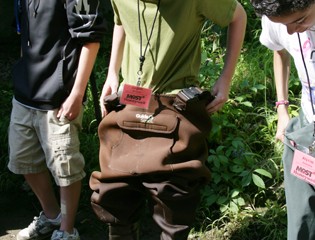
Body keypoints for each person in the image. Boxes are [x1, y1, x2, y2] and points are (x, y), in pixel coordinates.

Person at [89, 0, 246, 239]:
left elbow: (238, 15)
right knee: (115, 195)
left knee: (173, 201)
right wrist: (113, 72)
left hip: (175, 105)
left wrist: (226, 78)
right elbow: (121, 20)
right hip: (131, 100)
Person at [8, 0, 106, 239]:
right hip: (25, 94)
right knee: (22, 160)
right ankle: (53, 216)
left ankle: (67, 230)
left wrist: (76, 94)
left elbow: (91, 39)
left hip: (59, 98)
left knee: (66, 168)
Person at [251, 0, 315, 239]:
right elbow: (280, 51)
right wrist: (281, 108)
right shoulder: (275, 17)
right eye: (282, 24)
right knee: (301, 220)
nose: (289, 30)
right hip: (305, 129)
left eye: (299, 20)